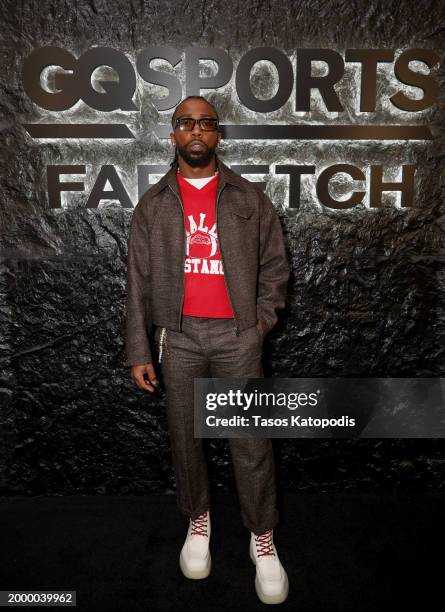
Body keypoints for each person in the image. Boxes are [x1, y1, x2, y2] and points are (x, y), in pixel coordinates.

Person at [125, 95, 290, 605]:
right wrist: (139, 350)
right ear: (172, 134)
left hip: (237, 338)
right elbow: (137, 283)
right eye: (185, 123)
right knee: (185, 439)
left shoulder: (248, 198)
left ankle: (261, 538)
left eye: (206, 123)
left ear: (218, 135)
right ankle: (198, 522)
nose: (196, 131)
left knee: (251, 443)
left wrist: (258, 325)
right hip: (179, 338)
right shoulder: (153, 204)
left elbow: (276, 270)